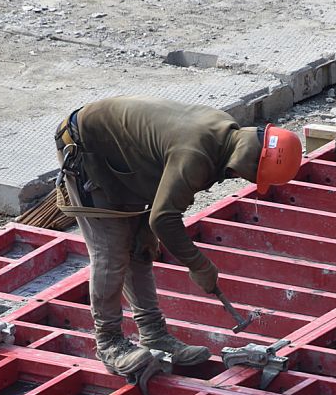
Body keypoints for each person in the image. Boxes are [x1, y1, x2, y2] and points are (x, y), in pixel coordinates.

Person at [54, 96, 302, 379]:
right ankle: (108, 342)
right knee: (111, 250)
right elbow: (163, 219)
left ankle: (154, 334)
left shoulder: (225, 134)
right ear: (245, 164)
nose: (239, 179)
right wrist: (199, 265)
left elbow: (160, 190)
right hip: (88, 149)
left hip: (125, 159)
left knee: (140, 245)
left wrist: (151, 232)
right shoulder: (196, 154)